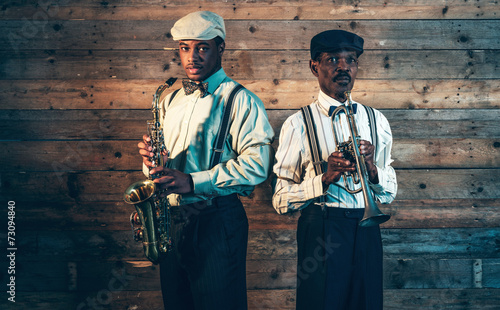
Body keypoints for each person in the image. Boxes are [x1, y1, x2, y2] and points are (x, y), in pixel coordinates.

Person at [137, 11, 274, 310]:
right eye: (185, 48)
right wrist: (151, 163)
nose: (192, 57)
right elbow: (160, 167)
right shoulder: (169, 100)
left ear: (220, 47)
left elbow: (258, 165)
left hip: (216, 221)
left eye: (202, 47)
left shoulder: (241, 100)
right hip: (170, 221)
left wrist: (192, 181)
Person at [272, 30, 397, 310]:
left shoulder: (377, 120)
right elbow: (280, 200)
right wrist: (324, 179)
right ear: (314, 66)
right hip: (322, 227)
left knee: (367, 303)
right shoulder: (297, 123)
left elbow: (389, 192)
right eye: (332, 60)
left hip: (367, 227)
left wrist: (372, 170)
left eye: (350, 60)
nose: (343, 67)